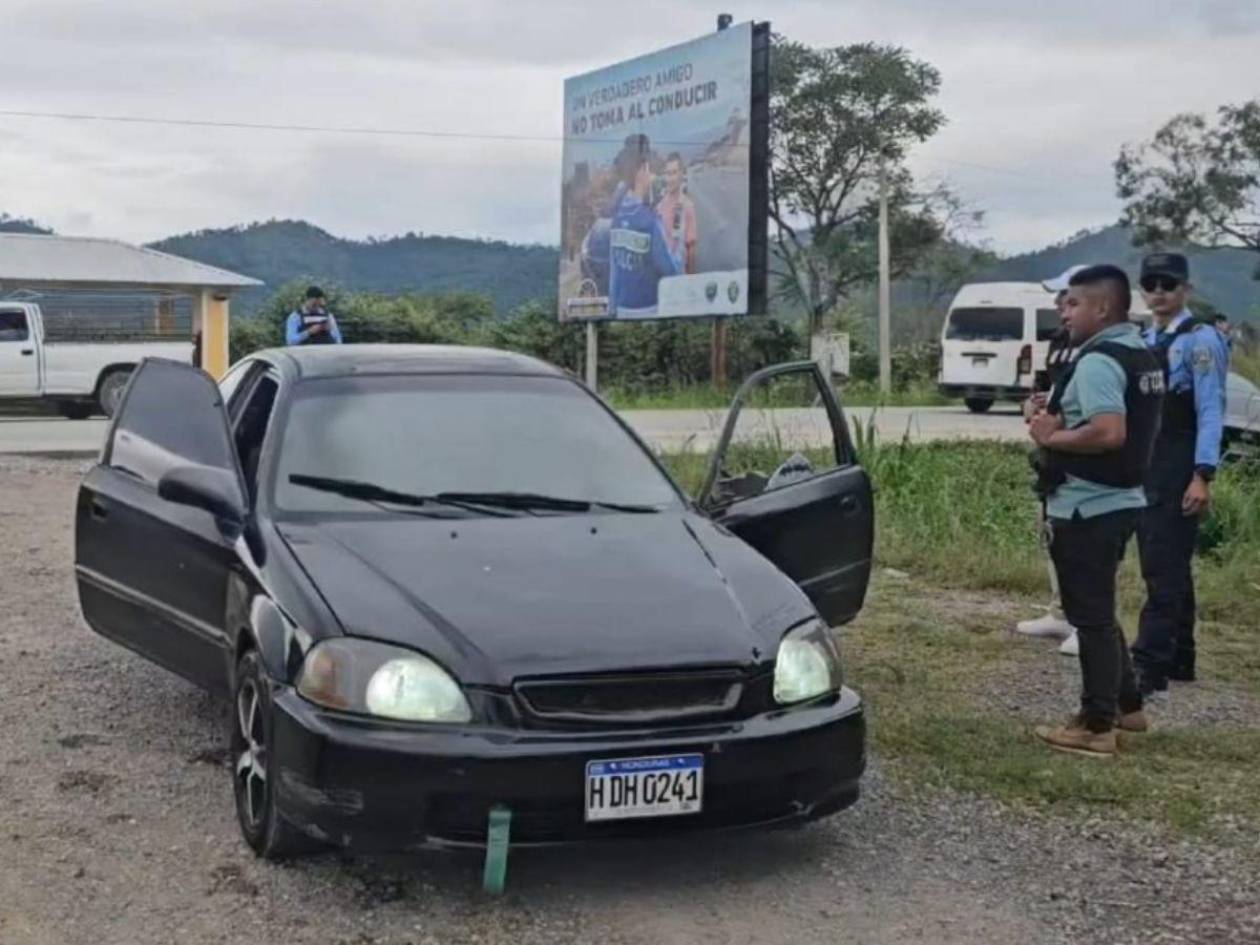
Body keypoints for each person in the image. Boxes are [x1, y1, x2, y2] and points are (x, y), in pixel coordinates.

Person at [1028, 264, 1164, 757]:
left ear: (1102, 307)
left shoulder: (1099, 360)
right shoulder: (1138, 353)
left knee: (1090, 619)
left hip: (1089, 504)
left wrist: (1051, 436)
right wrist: (1057, 411)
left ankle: (1096, 722)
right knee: (1100, 611)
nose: (1065, 313)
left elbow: (1109, 431)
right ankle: (1129, 706)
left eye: (1074, 304)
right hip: (1121, 499)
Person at [1130, 253, 1229, 697]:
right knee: (1168, 562)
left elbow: (1211, 411)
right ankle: (1180, 656)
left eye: (1167, 284)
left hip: (1180, 458)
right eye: (1150, 284)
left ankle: (1147, 666)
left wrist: (1202, 473)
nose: (1158, 293)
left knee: (1162, 566)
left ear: (1185, 288)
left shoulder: (1201, 340)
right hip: (1148, 460)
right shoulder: (1146, 336)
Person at [1016, 265, 1086, 649]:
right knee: (1050, 531)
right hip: (1051, 449)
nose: (1059, 303)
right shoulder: (1059, 339)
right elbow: (1041, 388)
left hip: (1082, 449)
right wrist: (1034, 404)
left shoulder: (1100, 344)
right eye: (1059, 296)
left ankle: (1085, 622)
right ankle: (1060, 611)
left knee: (1081, 538)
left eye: (1067, 295)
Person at [607, 134, 683, 317]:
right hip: (650, 310)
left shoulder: (617, 218)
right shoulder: (649, 221)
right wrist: (677, 244)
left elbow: (614, 273)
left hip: (622, 311)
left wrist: (612, 308)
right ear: (642, 169)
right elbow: (670, 270)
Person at [656, 153, 699, 274]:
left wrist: (690, 279)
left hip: (680, 276)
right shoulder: (659, 208)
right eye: (668, 173)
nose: (670, 178)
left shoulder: (687, 206)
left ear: (681, 174)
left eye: (674, 173)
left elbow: (691, 248)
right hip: (662, 276)